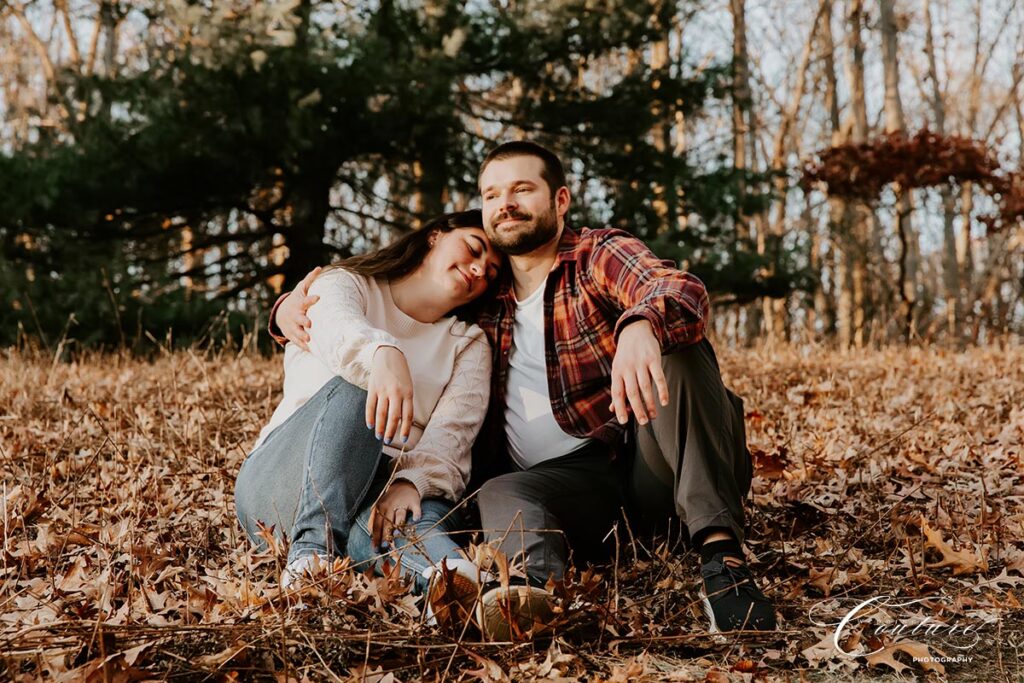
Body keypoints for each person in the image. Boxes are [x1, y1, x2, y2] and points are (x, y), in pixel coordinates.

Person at [275, 142, 777, 637]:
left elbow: (674, 287)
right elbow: (382, 305)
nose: (504, 204)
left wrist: (641, 324)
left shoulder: (594, 255)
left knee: (682, 355)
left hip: (652, 465)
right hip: (576, 495)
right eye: (491, 194)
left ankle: (723, 560)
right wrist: (282, 311)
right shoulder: (483, 300)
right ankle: (537, 597)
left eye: (521, 189)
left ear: (559, 201)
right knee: (502, 490)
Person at [234, 210, 502, 612]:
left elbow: (453, 434)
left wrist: (412, 481)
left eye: (492, 272)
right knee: (360, 388)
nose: (479, 269)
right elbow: (335, 326)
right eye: (473, 247)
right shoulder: (346, 284)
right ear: (434, 236)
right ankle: (311, 554)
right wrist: (382, 353)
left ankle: (456, 587)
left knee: (410, 520)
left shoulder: (468, 343)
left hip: (386, 486)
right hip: (288, 477)